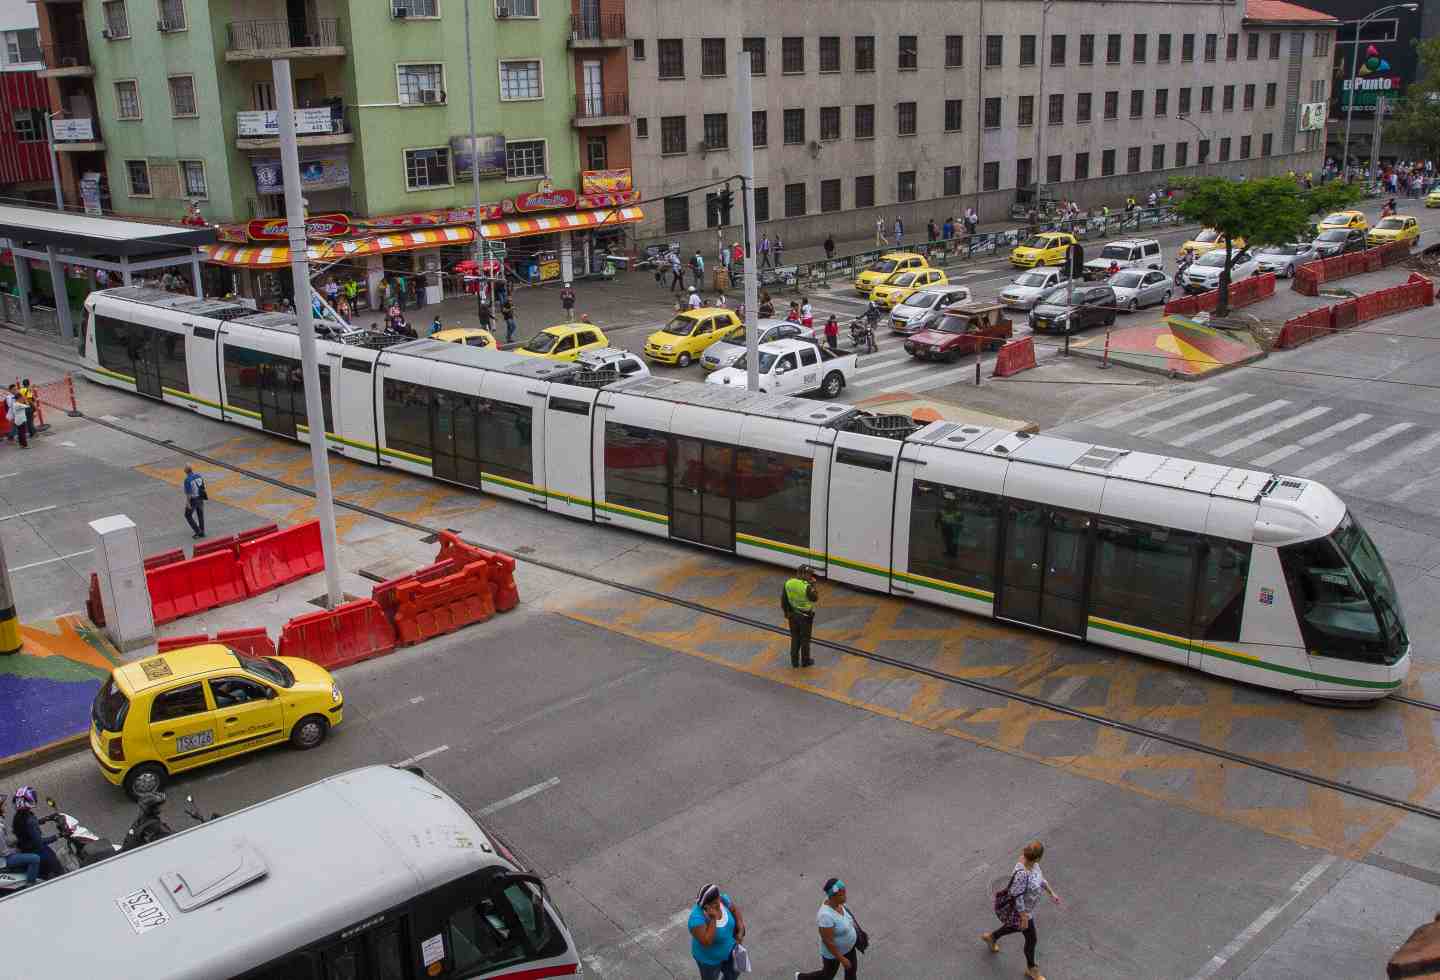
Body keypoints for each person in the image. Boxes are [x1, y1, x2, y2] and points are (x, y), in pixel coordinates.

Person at [981, 840, 1062, 980]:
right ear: (1038, 858)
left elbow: (1041, 879)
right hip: (1024, 911)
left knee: (1016, 927)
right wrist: (1024, 917)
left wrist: (1051, 892)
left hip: (1028, 909)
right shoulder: (1022, 874)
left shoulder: (1034, 865)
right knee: (1031, 939)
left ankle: (991, 937)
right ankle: (1031, 969)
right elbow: (1017, 897)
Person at [798, 878, 861, 980]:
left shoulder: (839, 903)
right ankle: (801, 978)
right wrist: (841, 959)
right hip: (834, 954)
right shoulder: (825, 917)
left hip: (849, 948)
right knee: (827, 976)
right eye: (841, 895)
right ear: (832, 897)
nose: (845, 897)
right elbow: (828, 941)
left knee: (851, 972)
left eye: (844, 893)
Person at [688, 883, 746, 980]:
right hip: (710, 961)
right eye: (704, 906)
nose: (705, 908)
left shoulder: (723, 899)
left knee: (734, 973)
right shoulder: (696, 920)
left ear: (717, 900)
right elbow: (707, 942)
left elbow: (735, 911)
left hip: (732, 951)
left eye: (708, 905)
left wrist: (740, 931)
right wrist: (713, 918)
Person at [10, 787, 62, 881]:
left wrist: (45, 819)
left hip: (24, 848)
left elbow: (25, 827)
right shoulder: (29, 819)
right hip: (35, 850)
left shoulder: (18, 816)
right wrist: (58, 836)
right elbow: (39, 843)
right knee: (55, 865)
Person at [782, 564, 818, 667]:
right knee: (805, 639)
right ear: (802, 574)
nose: (811, 576)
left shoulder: (788, 583)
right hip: (805, 617)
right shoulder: (807, 586)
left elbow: (784, 600)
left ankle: (794, 662)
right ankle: (805, 661)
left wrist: (787, 613)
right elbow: (814, 598)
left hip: (793, 615)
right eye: (809, 574)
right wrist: (813, 586)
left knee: (795, 638)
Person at [0, 795, 40, 886]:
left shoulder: (1, 822)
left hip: (5, 855)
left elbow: (6, 841)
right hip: (5, 860)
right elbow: (4, 852)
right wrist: (17, 849)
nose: (5, 806)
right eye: (3, 805)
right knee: (35, 859)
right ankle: (30, 885)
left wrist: (17, 841)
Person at [183, 464, 206, 538]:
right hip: (200, 497)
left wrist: (188, 503)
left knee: (188, 515)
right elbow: (203, 487)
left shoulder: (187, 480)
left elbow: (189, 493)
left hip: (194, 499)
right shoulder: (199, 476)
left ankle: (198, 531)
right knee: (200, 514)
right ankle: (202, 531)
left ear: (186, 470)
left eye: (184, 468)